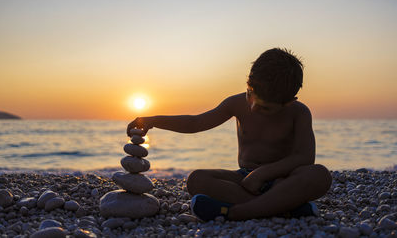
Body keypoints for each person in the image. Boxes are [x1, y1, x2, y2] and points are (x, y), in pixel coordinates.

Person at [127, 48, 332, 221]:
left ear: (289, 102)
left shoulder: (299, 112)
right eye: (249, 94)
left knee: (319, 174)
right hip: (243, 180)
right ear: (248, 82)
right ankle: (284, 208)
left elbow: (304, 157)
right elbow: (195, 122)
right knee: (197, 179)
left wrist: (262, 174)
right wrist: (152, 120)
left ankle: (237, 212)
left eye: (265, 108)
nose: (252, 107)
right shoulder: (235, 103)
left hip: (283, 181)